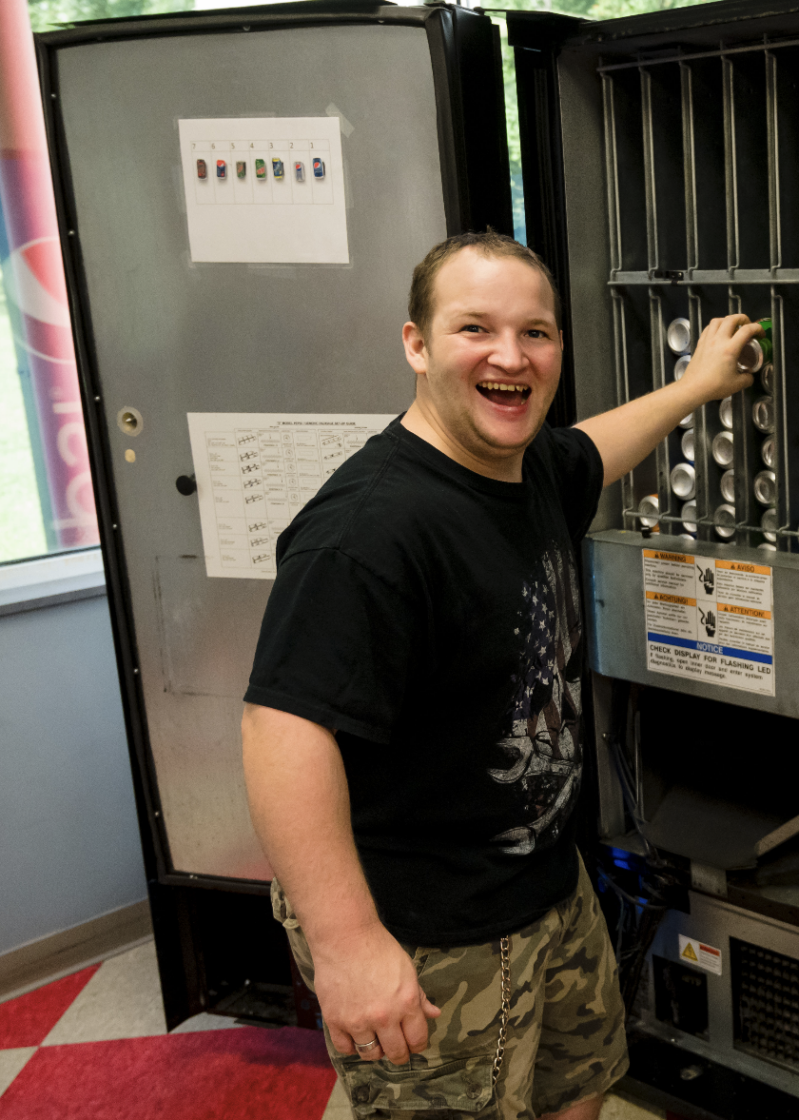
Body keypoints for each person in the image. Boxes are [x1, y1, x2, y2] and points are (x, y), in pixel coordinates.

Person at [241, 229, 758, 1120]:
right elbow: (280, 732)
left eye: (537, 333)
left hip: (544, 890)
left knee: (579, 1087)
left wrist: (696, 387)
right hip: (428, 928)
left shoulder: (523, 469)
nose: (510, 357)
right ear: (416, 344)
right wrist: (350, 945)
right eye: (474, 328)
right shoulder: (368, 534)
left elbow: (592, 449)